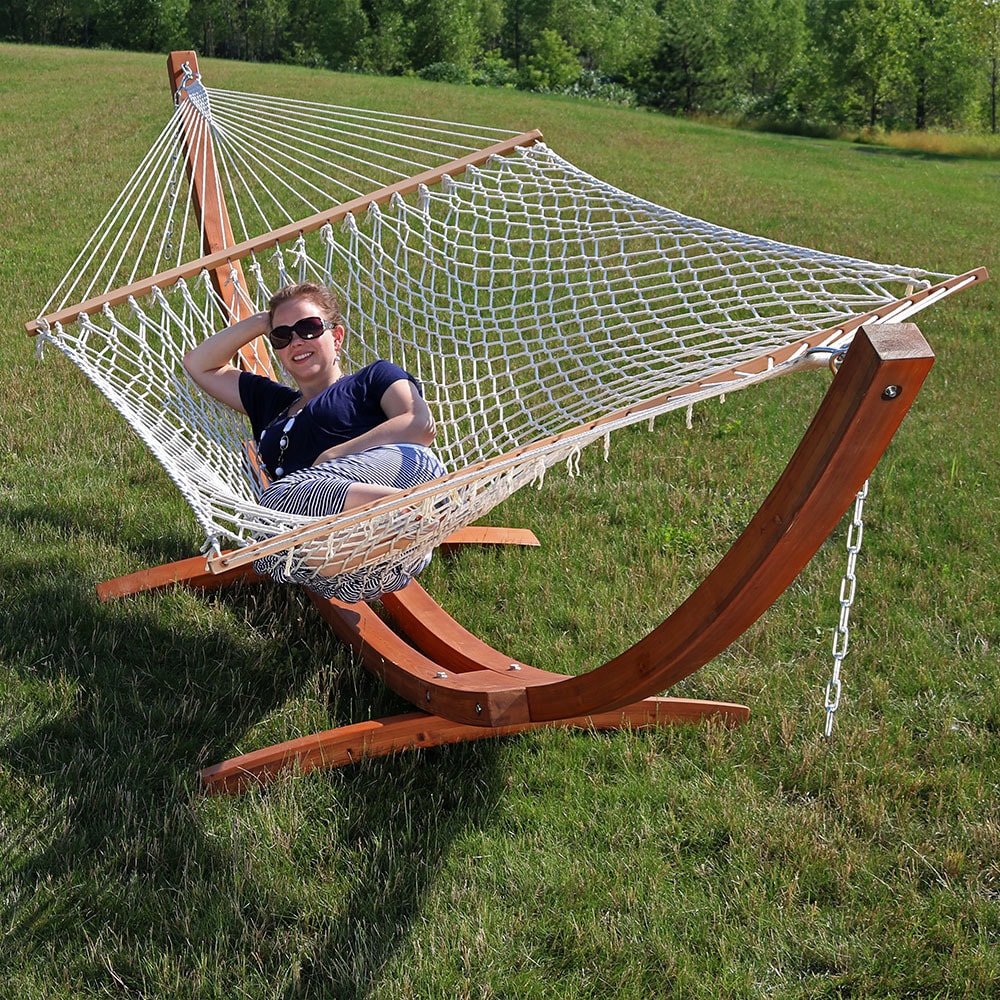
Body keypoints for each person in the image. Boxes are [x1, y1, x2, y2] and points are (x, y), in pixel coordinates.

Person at [183, 281, 446, 602]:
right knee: (273, 517)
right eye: (282, 336)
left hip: (401, 474)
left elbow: (419, 425)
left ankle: (414, 512)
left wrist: (334, 456)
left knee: (275, 504)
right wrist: (263, 321)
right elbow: (199, 364)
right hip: (345, 557)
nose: (296, 341)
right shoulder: (271, 403)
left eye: (309, 328)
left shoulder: (372, 378)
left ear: (336, 336)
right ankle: (408, 523)